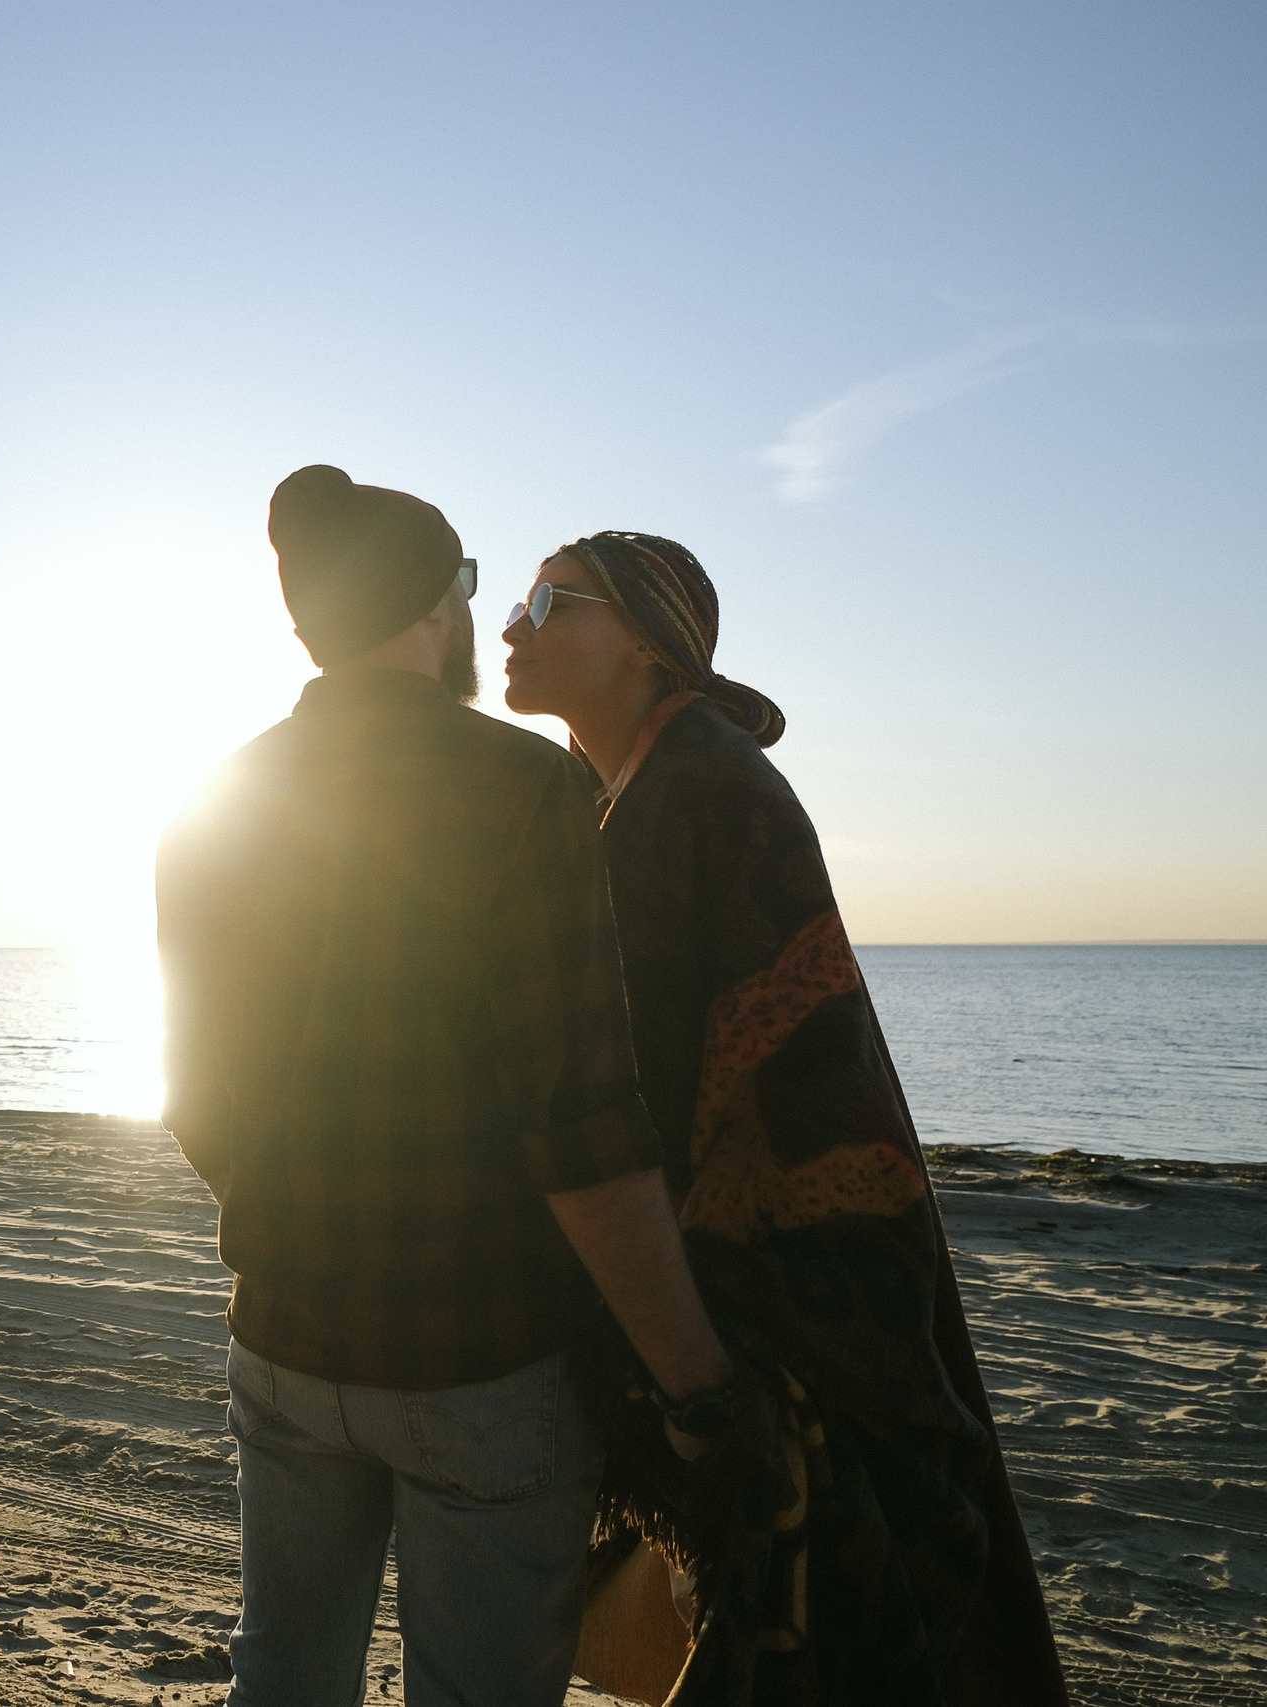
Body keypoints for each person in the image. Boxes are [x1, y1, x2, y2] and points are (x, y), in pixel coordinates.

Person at [157, 467, 741, 1707]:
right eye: (474, 585)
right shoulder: (526, 790)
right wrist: (694, 1381)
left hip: (285, 1335)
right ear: (436, 604)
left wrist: (295, 1209)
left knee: (285, 1672)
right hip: (480, 1363)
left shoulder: (213, 802)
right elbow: (580, 1123)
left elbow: (196, 1095)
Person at [501, 531, 1068, 1706]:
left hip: (784, 1293)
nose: (515, 625)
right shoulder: (650, 790)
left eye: (554, 601)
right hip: (774, 1271)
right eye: (520, 599)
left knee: (806, 1623)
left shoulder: (693, 793)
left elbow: (630, 1100)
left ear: (650, 649)